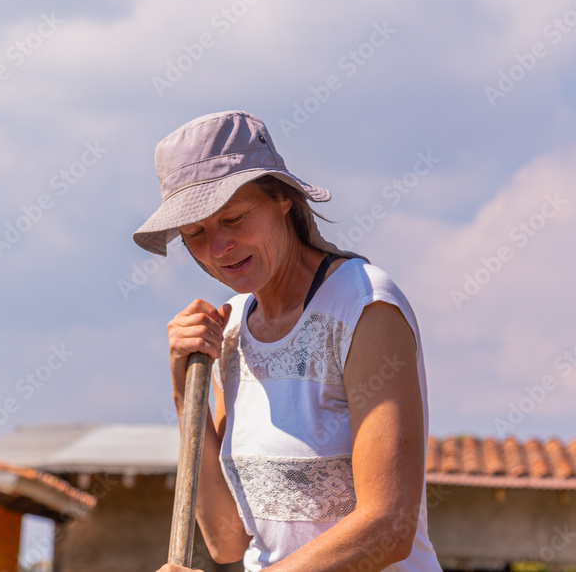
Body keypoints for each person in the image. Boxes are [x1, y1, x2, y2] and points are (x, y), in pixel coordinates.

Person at [136, 111, 443, 572]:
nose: (219, 248)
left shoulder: (363, 306)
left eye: (234, 219)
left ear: (282, 198)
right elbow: (227, 541)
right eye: (195, 234)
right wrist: (185, 391)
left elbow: (389, 527)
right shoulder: (232, 330)